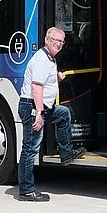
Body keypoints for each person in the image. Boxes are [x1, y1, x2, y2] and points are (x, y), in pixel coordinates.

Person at [15, 26, 85, 202]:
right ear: (47, 40)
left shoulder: (50, 59)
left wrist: (57, 79)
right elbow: (36, 87)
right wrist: (38, 113)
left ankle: (66, 154)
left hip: (43, 107)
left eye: (61, 41)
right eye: (55, 40)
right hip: (32, 107)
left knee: (63, 114)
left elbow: (45, 82)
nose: (58, 44)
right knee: (30, 149)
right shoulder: (41, 59)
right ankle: (26, 190)